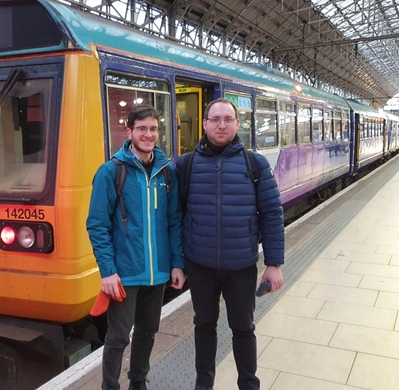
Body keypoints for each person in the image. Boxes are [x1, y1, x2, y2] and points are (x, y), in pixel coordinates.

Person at [175, 98, 285, 390]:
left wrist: (273, 264)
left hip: (241, 266)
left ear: (237, 124)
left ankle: (249, 384)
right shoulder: (186, 166)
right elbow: (175, 218)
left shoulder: (255, 164)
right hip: (200, 265)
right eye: (215, 119)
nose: (221, 125)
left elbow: (272, 215)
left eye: (227, 119)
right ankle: (204, 385)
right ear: (205, 124)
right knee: (204, 325)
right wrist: (177, 262)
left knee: (243, 328)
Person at [87, 104, 186, 390]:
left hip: (157, 273)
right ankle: (110, 386)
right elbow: (97, 225)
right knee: (118, 337)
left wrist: (177, 263)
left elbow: (174, 221)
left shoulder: (166, 173)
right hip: (125, 273)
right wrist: (107, 271)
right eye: (141, 129)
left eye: (153, 129)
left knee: (148, 331)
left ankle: (138, 382)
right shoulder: (110, 172)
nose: (148, 134)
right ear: (129, 132)